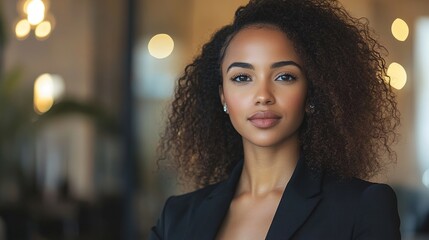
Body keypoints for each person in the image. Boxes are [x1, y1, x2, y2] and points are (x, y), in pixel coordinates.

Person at [150, 0, 401, 239]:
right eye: (242, 78)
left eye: (284, 77)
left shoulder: (361, 207)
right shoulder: (177, 217)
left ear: (312, 92)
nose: (263, 96)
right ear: (222, 96)